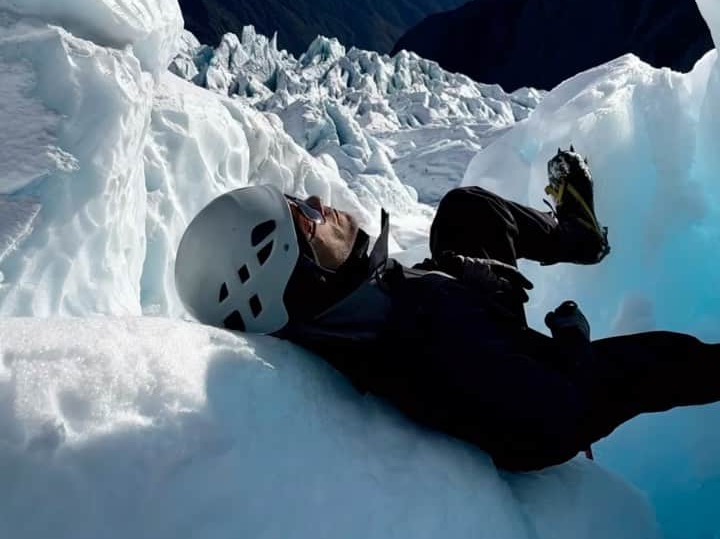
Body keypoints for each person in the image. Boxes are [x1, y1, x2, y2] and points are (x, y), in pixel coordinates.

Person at [174, 151, 720, 471]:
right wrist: (572, 346)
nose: (316, 202)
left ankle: (579, 236)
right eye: (301, 215)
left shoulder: (341, 314)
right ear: (289, 268)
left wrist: (452, 272)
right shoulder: (429, 345)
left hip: (457, 301)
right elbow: (555, 418)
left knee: (468, 210)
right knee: (663, 359)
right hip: (502, 346)